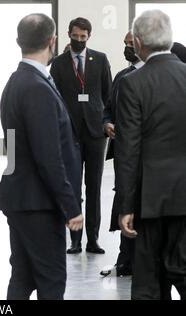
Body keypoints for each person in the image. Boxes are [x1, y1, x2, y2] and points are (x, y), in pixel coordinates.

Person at [0, 13, 83, 300]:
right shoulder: (35, 87)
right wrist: (71, 205)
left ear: (19, 41)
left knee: (22, 277)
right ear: (53, 41)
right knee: (51, 280)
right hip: (38, 203)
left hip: (22, 198)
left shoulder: (17, 81)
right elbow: (48, 157)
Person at [116, 9, 186, 300]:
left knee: (148, 284)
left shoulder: (133, 83)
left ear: (139, 43)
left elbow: (128, 149)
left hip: (149, 201)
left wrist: (126, 205)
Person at [50, 17, 112, 254]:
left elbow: (107, 94)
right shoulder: (59, 63)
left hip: (96, 134)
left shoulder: (100, 59)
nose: (78, 40)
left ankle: (93, 239)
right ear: (68, 34)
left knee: (94, 187)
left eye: (83, 37)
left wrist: (105, 120)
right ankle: (75, 240)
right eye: (75, 36)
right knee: (73, 188)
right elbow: (53, 97)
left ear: (89, 36)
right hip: (70, 133)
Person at [100, 31, 144, 277]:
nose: (127, 48)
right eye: (125, 44)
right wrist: (107, 123)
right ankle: (125, 258)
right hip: (122, 154)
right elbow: (108, 109)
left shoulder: (148, 77)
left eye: (131, 44)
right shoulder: (121, 76)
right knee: (123, 198)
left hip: (144, 156)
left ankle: (137, 259)